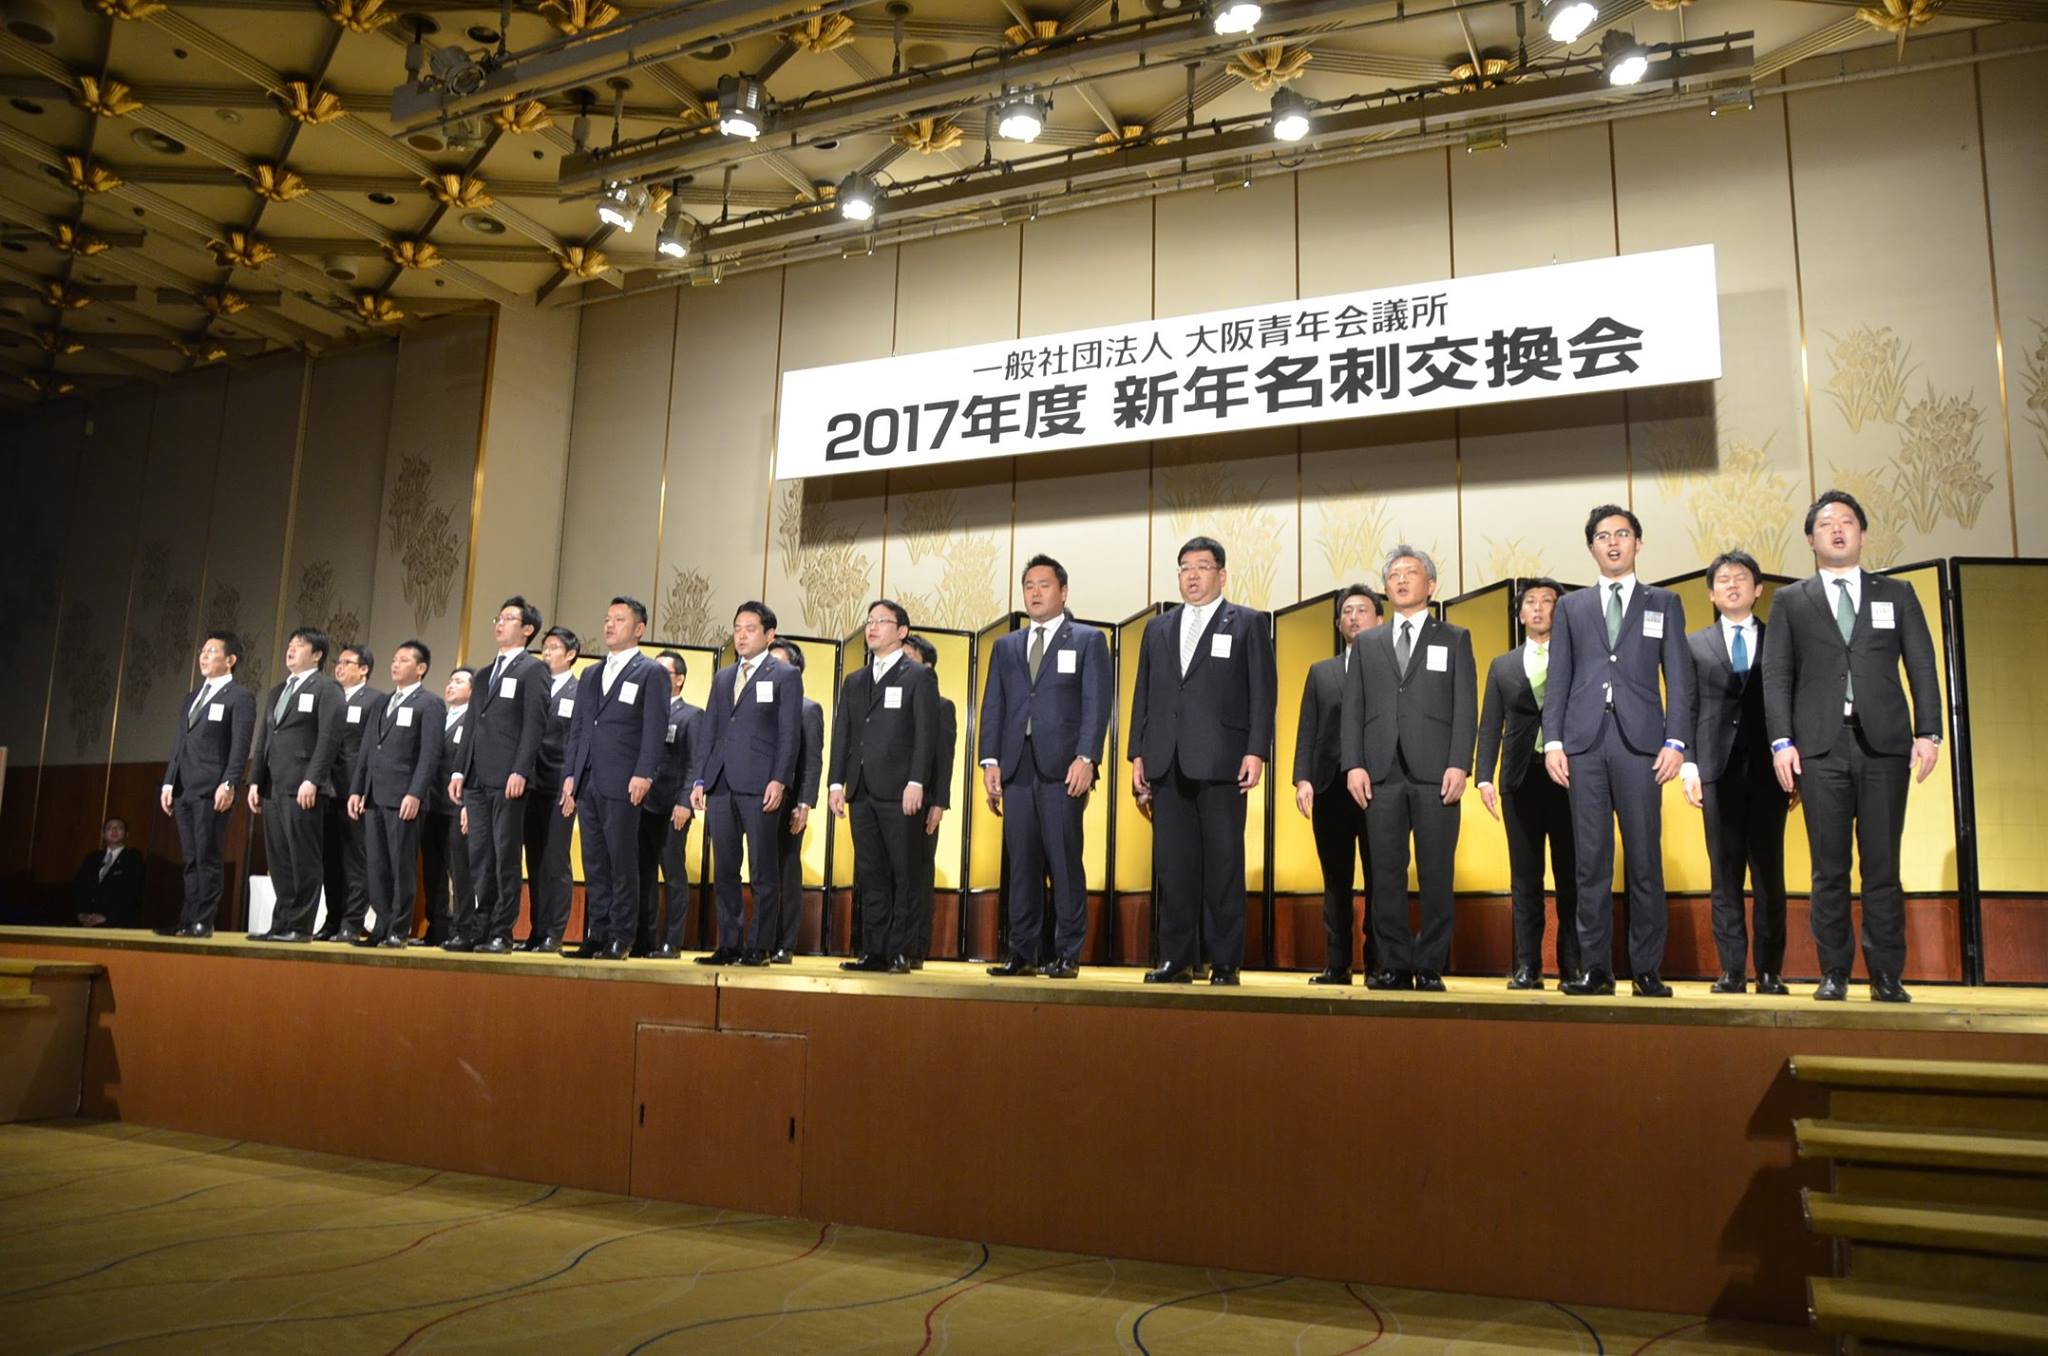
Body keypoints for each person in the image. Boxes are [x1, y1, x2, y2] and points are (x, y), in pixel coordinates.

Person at [1763, 490, 1941, 1003]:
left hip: (1884, 745)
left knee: (1882, 865)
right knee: (1829, 868)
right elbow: (1777, 674)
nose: (1837, 530)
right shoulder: (1792, 600)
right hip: (1819, 748)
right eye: (1826, 524)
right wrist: (1781, 742)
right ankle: (1834, 972)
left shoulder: (1897, 593)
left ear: (1861, 533)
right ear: (1810, 539)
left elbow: (1921, 664)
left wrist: (1928, 732)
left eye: (1846, 522)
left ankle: (1886, 974)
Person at [1544, 506, 1693, 997]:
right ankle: (1596, 969)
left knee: (1644, 859)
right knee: (1590, 863)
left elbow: (1680, 677)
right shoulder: (1572, 606)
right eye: (1603, 536)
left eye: (1622, 534)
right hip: (1584, 745)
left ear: (1637, 543)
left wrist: (1676, 741)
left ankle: (1646, 969)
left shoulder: (1663, 602)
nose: (1613, 543)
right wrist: (1554, 741)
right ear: (1591, 547)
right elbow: (1559, 678)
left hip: (1642, 746)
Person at [1129, 535, 1276, 987]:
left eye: (1202, 567)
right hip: (1166, 760)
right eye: (1185, 568)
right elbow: (1142, 694)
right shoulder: (1158, 628)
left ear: (1222, 574)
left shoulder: (1247, 623)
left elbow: (1263, 694)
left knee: (1224, 866)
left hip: (1223, 761)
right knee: (1174, 867)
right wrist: (1137, 753)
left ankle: (1225, 961)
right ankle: (1176, 959)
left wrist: (1257, 750)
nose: (1192, 576)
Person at [1341, 547, 1476, 992]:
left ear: (1430, 585)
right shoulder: (1368, 643)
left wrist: (1460, 763)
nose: (1401, 580)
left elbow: (1465, 708)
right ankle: (1395, 964)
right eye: (1394, 574)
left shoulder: (1454, 638)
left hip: (1437, 772)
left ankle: (1431, 964)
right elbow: (1354, 709)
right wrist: (1354, 764)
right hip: (1380, 771)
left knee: (1436, 871)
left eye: (1410, 573)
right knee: (1385, 873)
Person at [980, 555, 1113, 979]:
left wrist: (1087, 757)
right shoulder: (1006, 646)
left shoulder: (1088, 640)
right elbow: (994, 706)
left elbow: (1096, 704)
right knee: (1021, 865)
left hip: (1063, 769)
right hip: (1017, 768)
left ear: (1063, 592)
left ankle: (1068, 952)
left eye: (1044, 585)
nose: (1035, 593)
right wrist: (990, 761)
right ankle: (1023, 951)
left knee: (1064, 862)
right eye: (1029, 586)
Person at [1681, 551, 1792, 996]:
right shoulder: (1694, 644)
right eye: (1723, 579)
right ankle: (1731, 970)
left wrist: (1795, 761)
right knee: (1724, 872)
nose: (1732, 584)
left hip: (1769, 768)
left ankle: (1769, 971)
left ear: (1758, 589)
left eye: (1741, 578)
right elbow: (1686, 706)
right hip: (1716, 768)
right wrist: (1689, 764)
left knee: (1769, 873)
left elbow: (1792, 700)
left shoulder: (1780, 639)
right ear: (1711, 593)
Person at [1476, 578, 1580, 990]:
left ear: (1561, 610)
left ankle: (1574, 966)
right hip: (1520, 779)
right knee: (1525, 878)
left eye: (1547, 601)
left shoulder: (1578, 657)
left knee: (1572, 876)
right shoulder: (1502, 665)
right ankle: (1527, 966)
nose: (1538, 608)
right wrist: (1484, 776)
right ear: (1519, 614)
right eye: (1530, 602)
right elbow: (1490, 724)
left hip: (1569, 777)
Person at [829, 600, 939, 975]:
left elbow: (926, 736)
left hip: (900, 790)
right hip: (861, 790)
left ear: (902, 631)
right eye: (869, 621)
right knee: (871, 873)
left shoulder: (917, 676)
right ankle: (874, 950)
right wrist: (835, 783)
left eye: (882, 621)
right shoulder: (855, 680)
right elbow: (842, 734)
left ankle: (901, 951)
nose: (872, 627)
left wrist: (917, 781)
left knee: (905, 873)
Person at [690, 602, 802, 964]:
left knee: (763, 870)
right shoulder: (724, 677)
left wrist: (780, 780)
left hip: (760, 783)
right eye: (737, 628)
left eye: (750, 629)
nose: (741, 635)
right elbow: (710, 731)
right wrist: (700, 778)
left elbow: (789, 734)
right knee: (724, 868)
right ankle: (729, 944)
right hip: (720, 782)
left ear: (769, 635)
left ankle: (760, 945)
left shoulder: (784, 675)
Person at [561, 598, 669, 962]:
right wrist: (571, 775)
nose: (609, 625)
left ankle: (622, 936)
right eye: (607, 619)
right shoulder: (591, 673)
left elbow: (654, 728)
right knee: (594, 861)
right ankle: (598, 933)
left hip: (624, 780)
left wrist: (644, 773)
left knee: (622, 861)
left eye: (619, 620)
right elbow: (578, 729)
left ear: (639, 629)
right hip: (588, 779)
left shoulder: (650, 672)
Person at [447, 596, 546, 953]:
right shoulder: (484, 674)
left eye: (509, 618)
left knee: (505, 855)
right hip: (476, 777)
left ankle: (502, 931)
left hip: (508, 778)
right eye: (498, 618)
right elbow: (472, 725)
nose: (500, 624)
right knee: (480, 856)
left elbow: (534, 725)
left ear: (527, 629)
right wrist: (459, 770)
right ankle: (480, 926)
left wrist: (521, 769)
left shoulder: (533, 670)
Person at [1292, 584, 1379, 985]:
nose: (1354, 617)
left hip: (1378, 787)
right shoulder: (1321, 671)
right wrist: (1303, 779)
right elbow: (1307, 728)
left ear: (1379, 619)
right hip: (1329, 787)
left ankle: (1379, 963)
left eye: (1362, 610)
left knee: (1380, 878)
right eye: (1347, 612)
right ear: (1338, 622)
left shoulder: (1391, 668)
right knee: (1335, 880)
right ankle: (1338, 963)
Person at [247, 626, 345, 943]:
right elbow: (265, 738)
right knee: (280, 859)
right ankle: (282, 923)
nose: (291, 649)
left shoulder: (327, 688)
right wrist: (255, 781)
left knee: (303, 857)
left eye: (300, 645)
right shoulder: (278, 691)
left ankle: (300, 927)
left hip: (303, 786)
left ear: (317, 655)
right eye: (290, 644)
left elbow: (329, 738)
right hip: (274, 785)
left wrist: (312, 779)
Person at [346, 640, 444, 949]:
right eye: (394, 659)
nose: (395, 664)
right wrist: (357, 789)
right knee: (377, 865)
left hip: (404, 798)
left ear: (421, 668)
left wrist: (416, 793)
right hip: (374, 796)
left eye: (403, 660)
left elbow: (429, 755)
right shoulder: (382, 702)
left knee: (401, 865)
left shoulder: (429, 704)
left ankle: (399, 930)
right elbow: (367, 750)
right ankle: (380, 926)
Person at [157, 630, 255, 937]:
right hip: (184, 788)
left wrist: (230, 783)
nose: (203, 656)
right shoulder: (193, 697)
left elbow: (240, 745)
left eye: (212, 651)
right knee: (190, 859)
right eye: (202, 651)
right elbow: (179, 742)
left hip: (212, 789)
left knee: (207, 857)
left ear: (230, 660)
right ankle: (187, 918)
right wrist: (168, 783)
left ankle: (203, 919)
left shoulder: (239, 697)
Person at [638, 650, 702, 959]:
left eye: (663, 672)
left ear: (679, 679)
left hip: (672, 807)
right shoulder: (643, 713)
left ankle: (672, 941)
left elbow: (694, 763)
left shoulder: (691, 715)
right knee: (643, 874)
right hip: (642, 806)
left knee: (673, 874)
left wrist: (685, 802)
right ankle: (644, 938)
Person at [316, 643, 382, 942]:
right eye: (338, 663)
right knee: (330, 860)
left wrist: (364, 788)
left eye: (347, 663)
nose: (339, 668)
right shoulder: (330, 697)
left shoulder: (374, 701)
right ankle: (333, 919)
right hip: (325, 791)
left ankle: (352, 922)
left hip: (355, 792)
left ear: (364, 669)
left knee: (356, 860)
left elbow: (372, 750)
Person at [762, 640, 822, 964]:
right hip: (757, 799)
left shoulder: (808, 709)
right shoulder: (758, 705)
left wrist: (804, 804)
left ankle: (785, 942)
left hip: (789, 802)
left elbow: (812, 762)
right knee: (762, 871)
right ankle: (762, 939)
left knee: (786, 870)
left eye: (778, 663)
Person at [521, 627, 580, 952]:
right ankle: (536, 929)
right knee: (534, 859)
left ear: (570, 654)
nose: (546, 653)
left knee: (555, 860)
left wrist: (574, 784)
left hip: (561, 784)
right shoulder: (535, 687)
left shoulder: (579, 690)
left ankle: (554, 933)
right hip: (531, 783)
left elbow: (580, 742)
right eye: (544, 647)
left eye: (554, 647)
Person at [903, 633, 956, 969]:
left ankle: (916, 947)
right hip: (890, 799)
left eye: (909, 657)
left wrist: (938, 803)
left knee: (919, 873)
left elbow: (943, 759)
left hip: (925, 803)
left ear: (928, 667)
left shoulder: (941, 705)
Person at [420, 668, 474, 946]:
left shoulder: (474, 721)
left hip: (457, 805)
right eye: (450, 680)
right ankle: (437, 927)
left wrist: (469, 804)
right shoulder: (437, 718)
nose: (451, 685)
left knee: (460, 870)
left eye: (459, 681)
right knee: (433, 870)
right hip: (431, 804)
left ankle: (464, 928)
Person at [73, 816, 144, 928]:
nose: (114, 831)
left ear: (126, 834)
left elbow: (132, 892)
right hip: (86, 922)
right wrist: (80, 913)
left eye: (119, 828)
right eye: (109, 828)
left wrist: (107, 917)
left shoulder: (133, 858)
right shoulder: (92, 858)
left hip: (116, 923)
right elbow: (79, 887)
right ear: (103, 834)